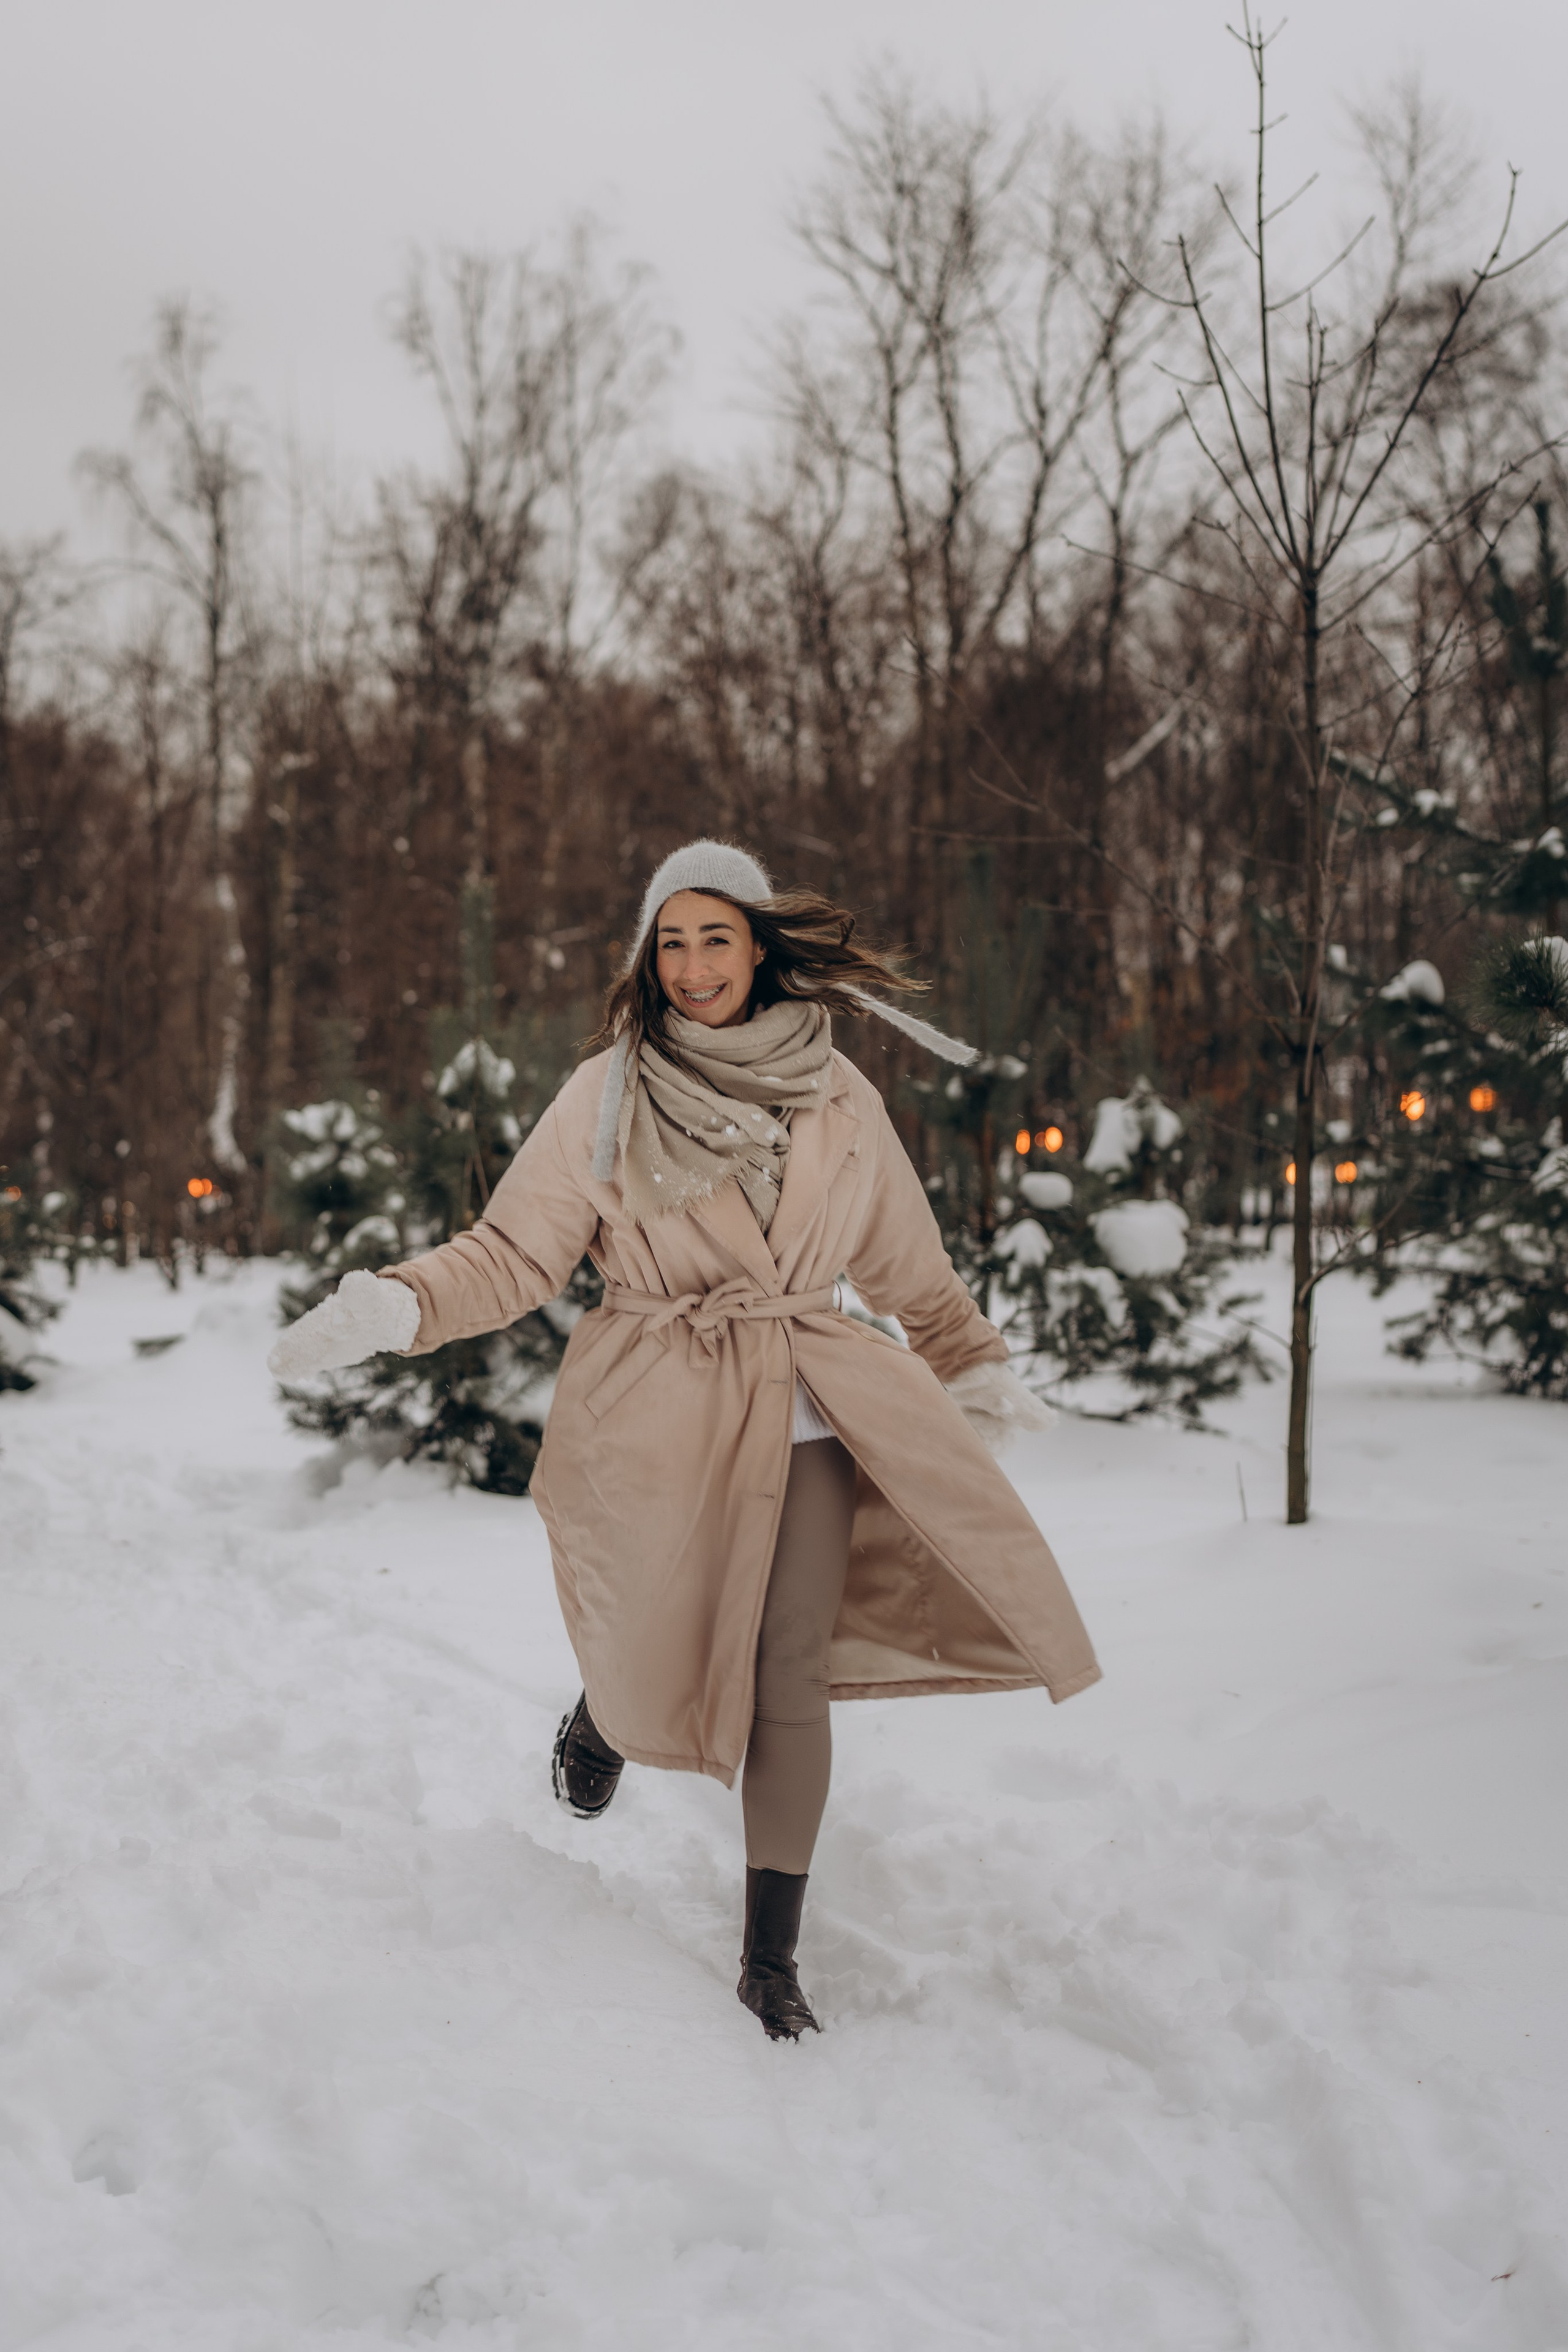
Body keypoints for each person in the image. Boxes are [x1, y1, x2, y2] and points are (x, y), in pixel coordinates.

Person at [270, 841, 1100, 2040]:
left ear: (758, 945)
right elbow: (512, 1256)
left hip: (807, 1392)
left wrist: (967, 1362)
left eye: (716, 937)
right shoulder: (604, 1095)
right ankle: (606, 1713)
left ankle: (771, 1957)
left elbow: (908, 1267)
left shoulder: (836, 1096)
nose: (694, 964)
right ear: (645, 956)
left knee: (784, 1664)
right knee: (657, 1626)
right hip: (656, 1399)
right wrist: (398, 1305)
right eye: (672, 941)